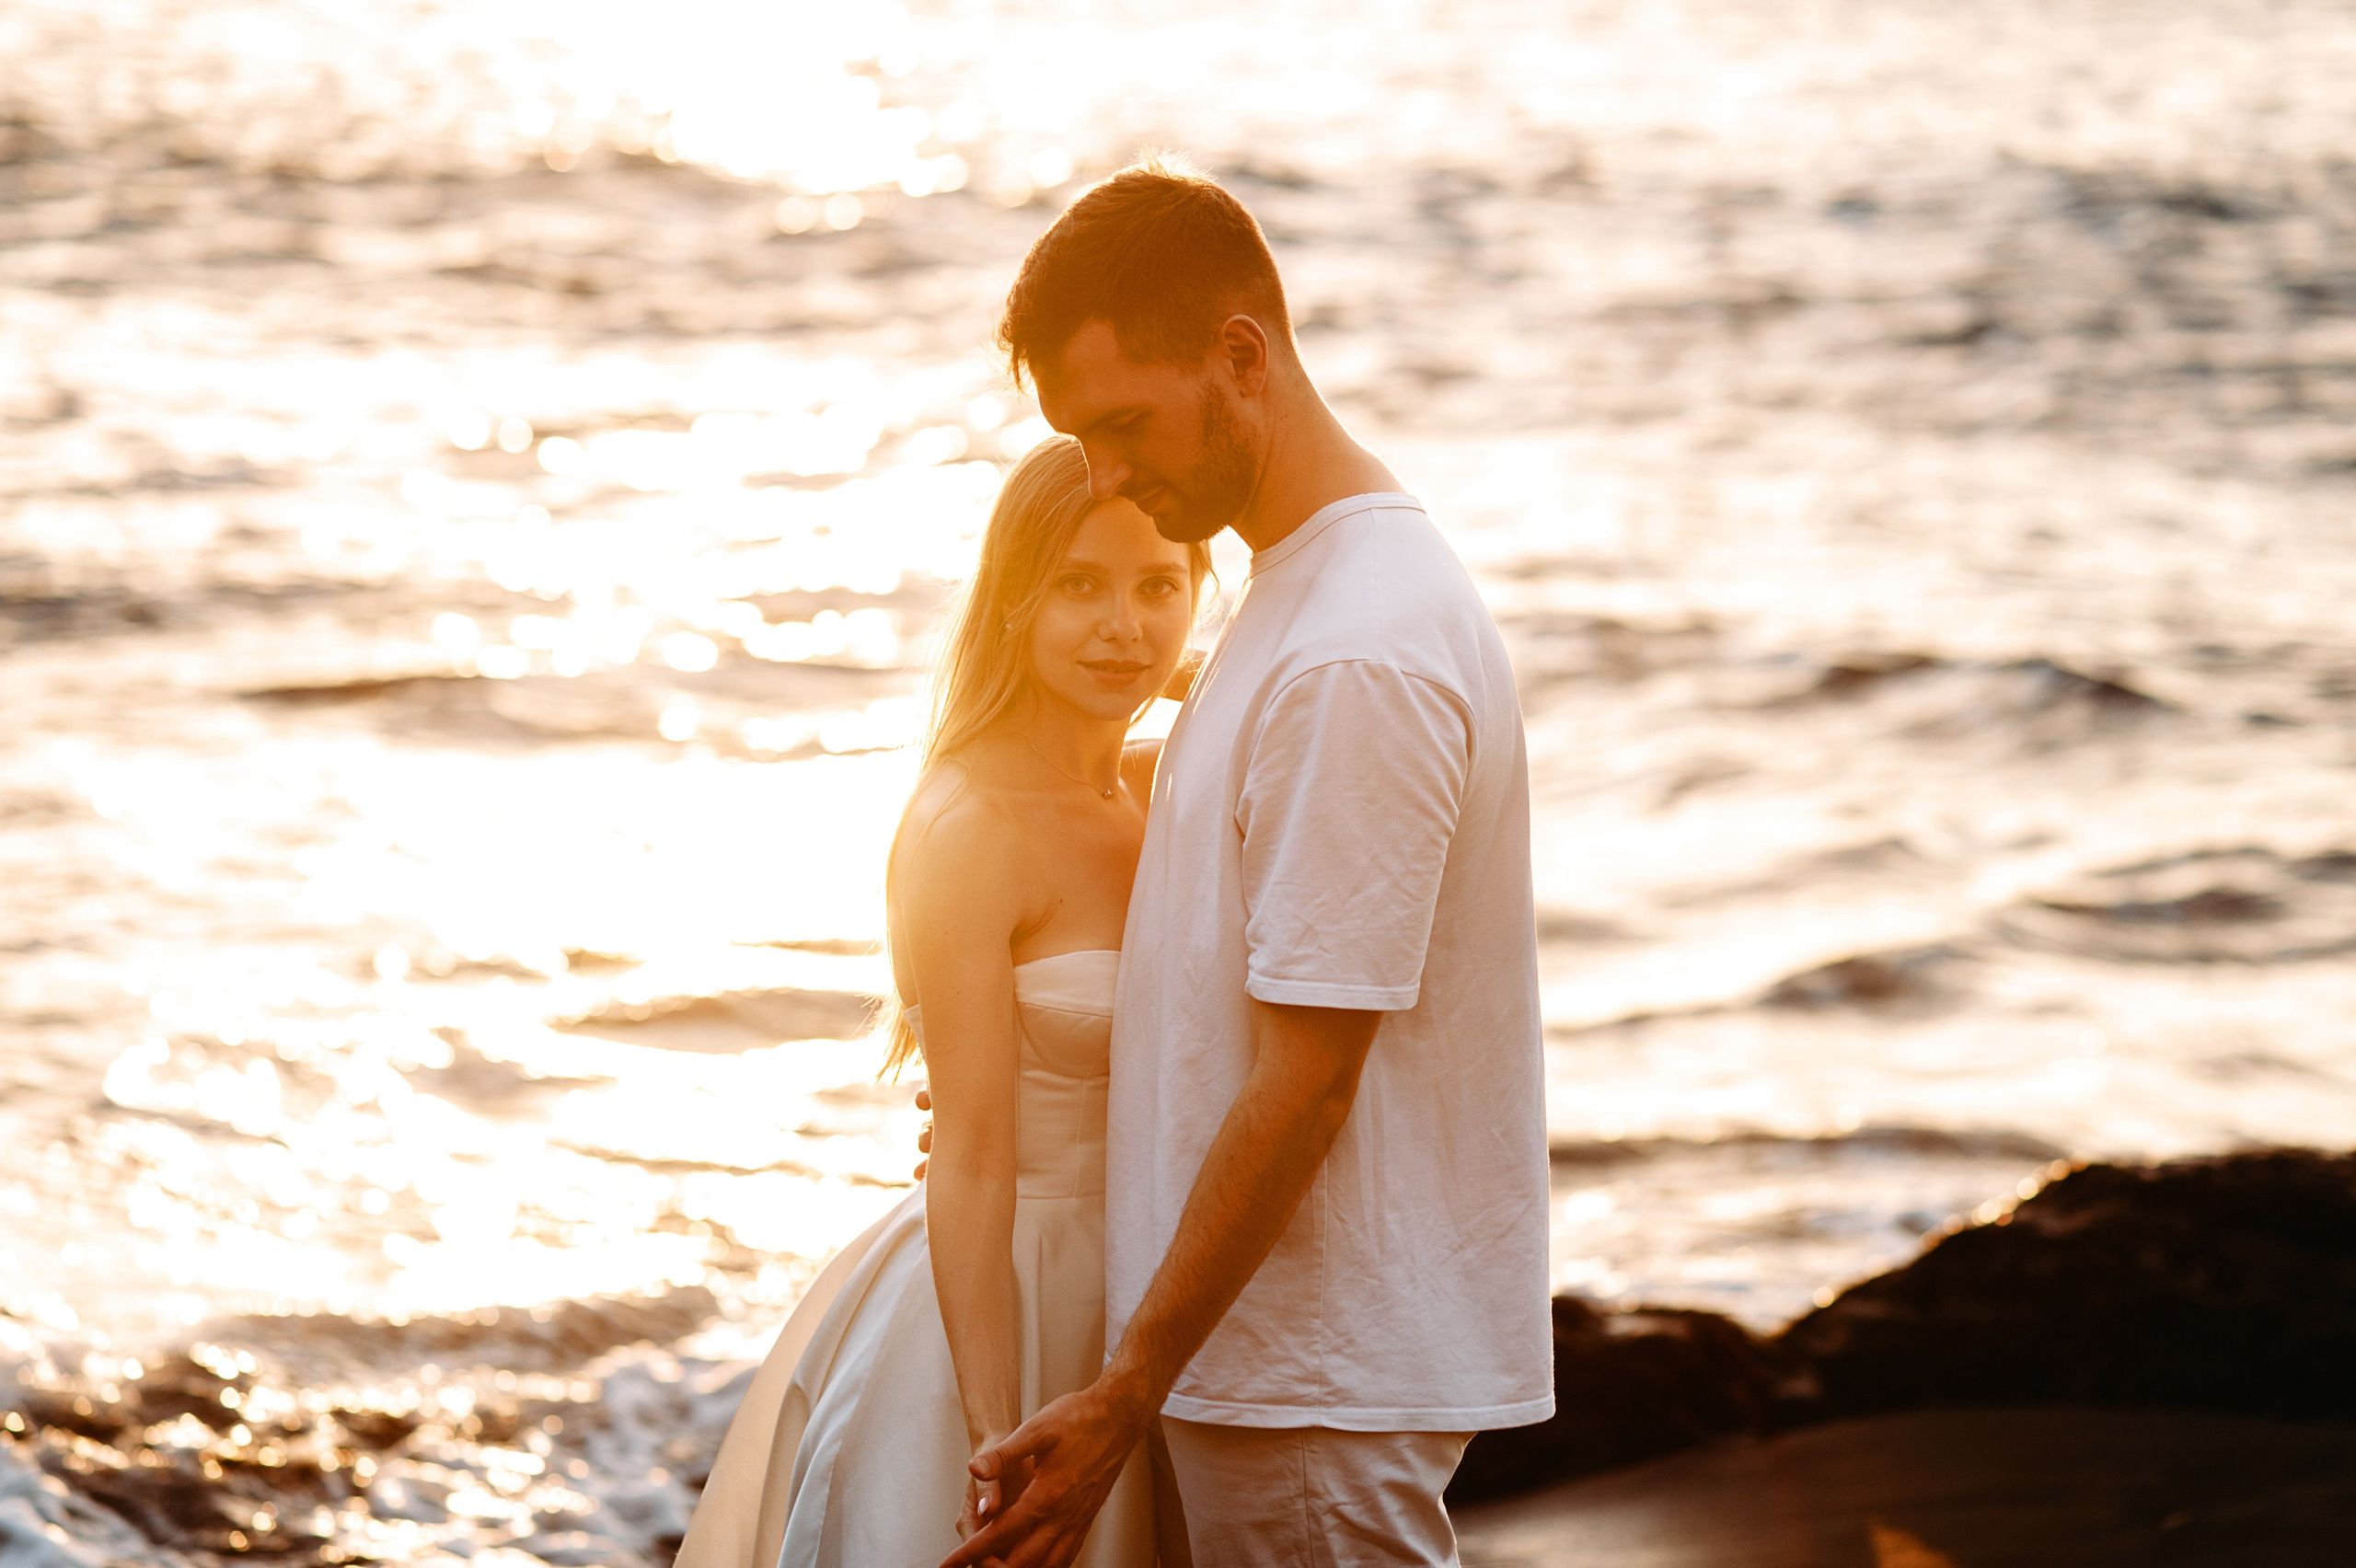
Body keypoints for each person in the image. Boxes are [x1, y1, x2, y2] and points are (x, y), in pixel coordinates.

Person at [941, 157, 1553, 1568]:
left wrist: (1122, 1392)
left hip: (1309, 1382)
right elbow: (1212, 945)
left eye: (1121, 424)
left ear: (1239, 356)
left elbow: (1307, 1079)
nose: (1105, 477)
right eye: (1079, 439)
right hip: (1272, 1366)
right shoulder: (1302, 596)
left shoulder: (1354, 654)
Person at [674, 434, 1207, 1568]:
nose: (1123, 625)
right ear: (1013, 599)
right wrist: (993, 1435)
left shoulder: (1165, 782)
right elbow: (969, 1155)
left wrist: (1201, 673)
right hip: (1010, 1291)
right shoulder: (968, 826)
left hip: (1160, 1301)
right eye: (1079, 585)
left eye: (1158, 586)